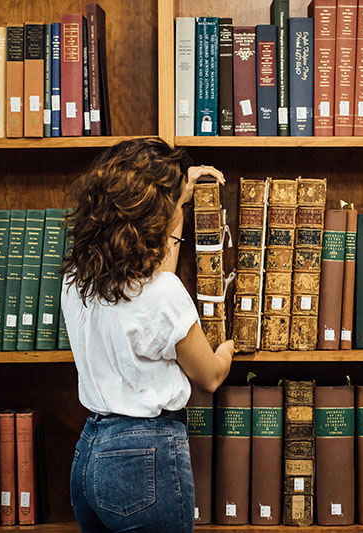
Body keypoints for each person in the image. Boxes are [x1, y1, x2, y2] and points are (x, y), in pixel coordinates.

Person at [61, 137, 234, 532]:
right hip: (144, 456)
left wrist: (177, 204)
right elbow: (209, 376)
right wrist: (227, 348)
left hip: (89, 450)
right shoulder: (162, 294)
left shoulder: (75, 279)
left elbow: (155, 288)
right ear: (155, 215)